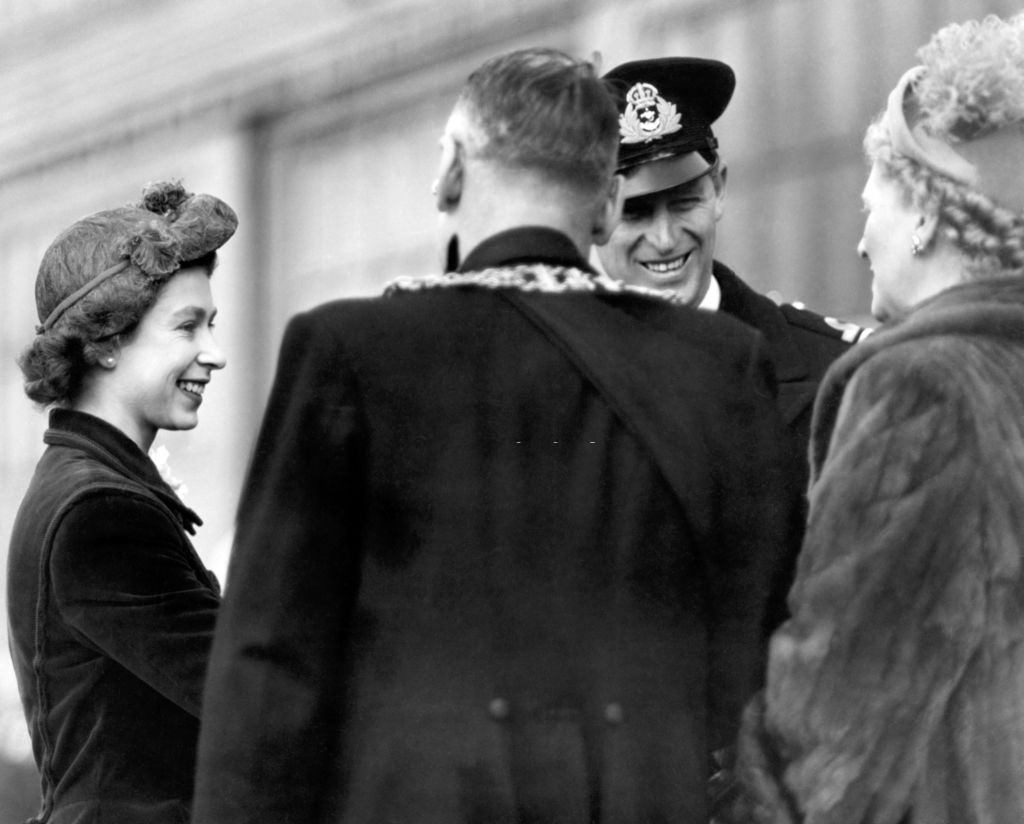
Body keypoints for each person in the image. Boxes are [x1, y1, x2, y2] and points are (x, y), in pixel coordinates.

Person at [193, 48, 799, 824]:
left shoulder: (349, 353)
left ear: (449, 171)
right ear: (609, 207)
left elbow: (266, 676)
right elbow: (755, 662)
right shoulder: (720, 365)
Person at [732, 12, 1024, 823]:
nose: (861, 242)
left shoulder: (923, 387)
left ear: (926, 215)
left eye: (875, 204)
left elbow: (841, 711)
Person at [598, 57, 867, 637]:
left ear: (719, 188)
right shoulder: (554, 381)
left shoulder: (837, 375)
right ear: (594, 218)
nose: (665, 239)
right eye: (636, 212)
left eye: (684, 201)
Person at [6, 180, 237, 824]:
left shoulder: (88, 481)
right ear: (105, 340)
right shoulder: (100, 511)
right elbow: (245, 691)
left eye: (211, 324)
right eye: (187, 326)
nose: (214, 354)